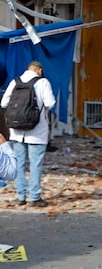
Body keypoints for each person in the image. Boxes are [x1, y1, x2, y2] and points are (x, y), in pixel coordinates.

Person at [1, 61, 56, 207]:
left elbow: (4, 103)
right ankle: (34, 197)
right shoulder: (43, 82)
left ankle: (20, 196)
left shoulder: (15, 82)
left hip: (16, 131)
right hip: (37, 132)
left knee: (18, 163)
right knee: (35, 164)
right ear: (39, 70)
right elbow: (50, 103)